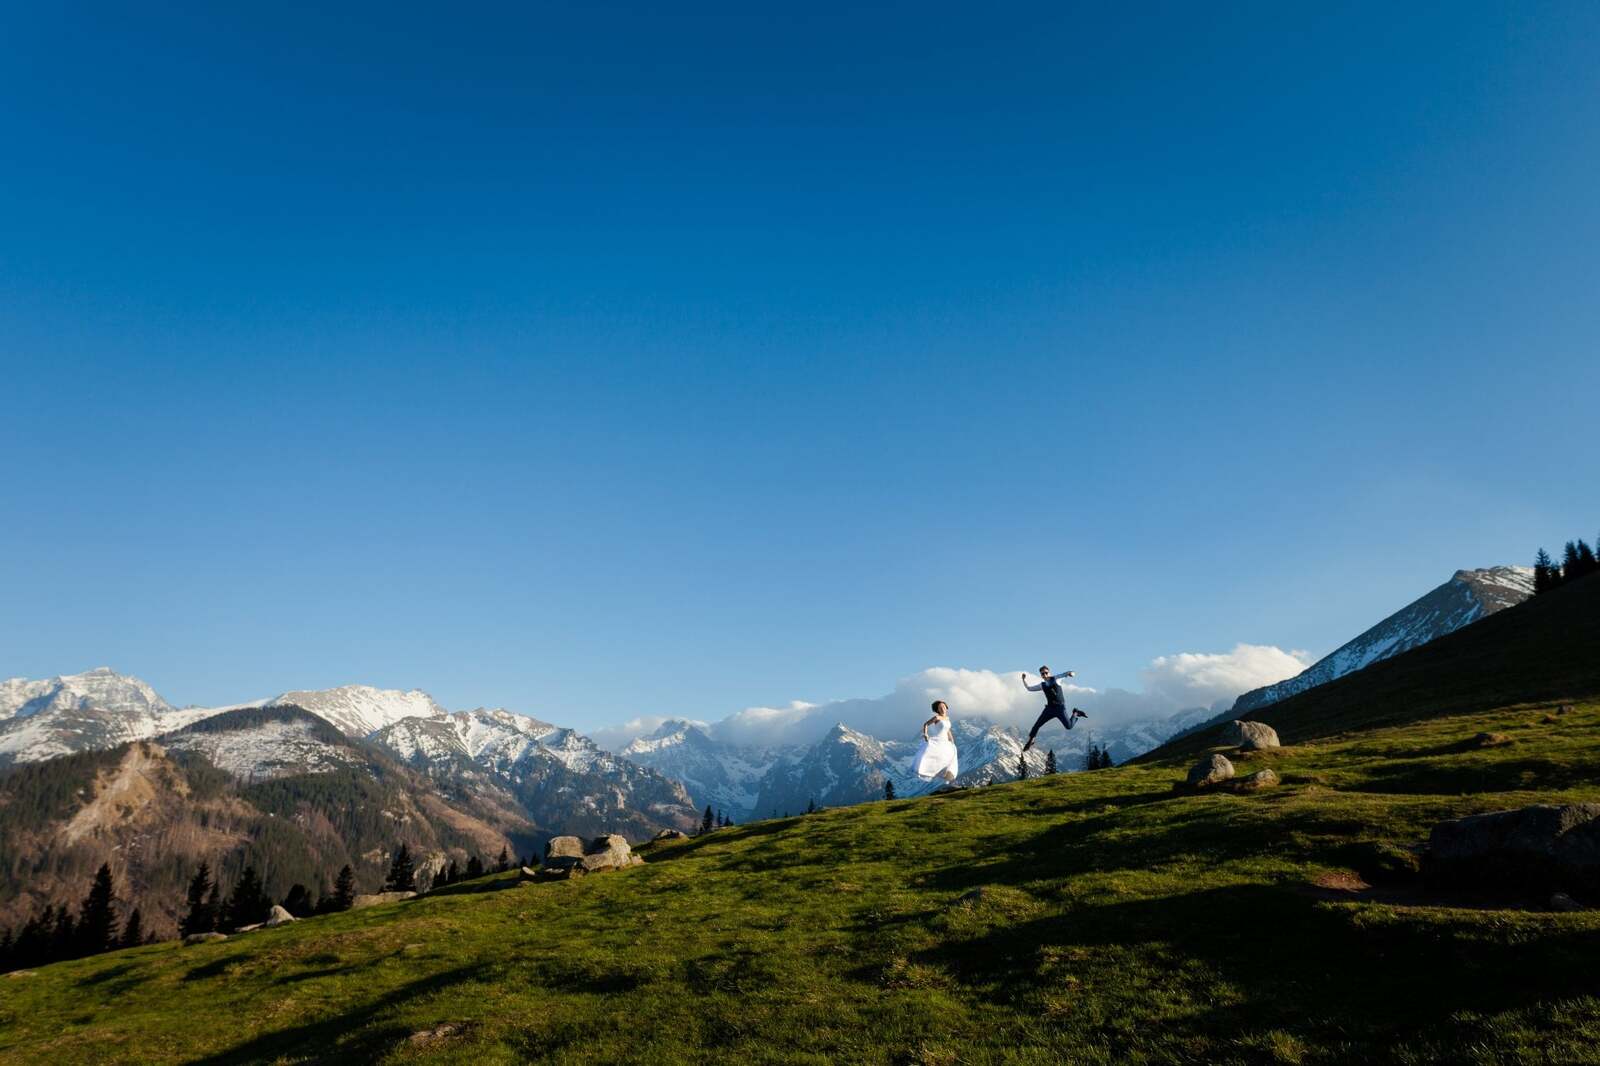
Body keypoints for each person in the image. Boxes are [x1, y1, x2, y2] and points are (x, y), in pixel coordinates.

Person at [1020, 665, 1087, 752]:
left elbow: (1067, 673)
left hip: (1060, 708)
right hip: (1049, 709)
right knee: (1036, 725)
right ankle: (1031, 741)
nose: (1045, 675)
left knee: (1069, 726)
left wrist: (1071, 673)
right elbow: (1029, 688)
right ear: (1041, 675)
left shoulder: (1056, 679)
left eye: (1046, 673)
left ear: (1049, 672)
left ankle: (1076, 713)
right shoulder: (1042, 685)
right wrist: (1023, 680)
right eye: (1042, 674)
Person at [913, 700, 960, 782]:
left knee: (949, 755)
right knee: (933, 755)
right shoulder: (937, 718)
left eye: (943, 707)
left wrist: (952, 739)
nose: (942, 708)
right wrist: (925, 734)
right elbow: (926, 724)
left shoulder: (947, 718)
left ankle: (946, 774)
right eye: (940, 707)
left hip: (946, 741)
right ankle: (926, 769)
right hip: (938, 739)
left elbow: (948, 730)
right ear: (937, 710)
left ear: (946, 708)